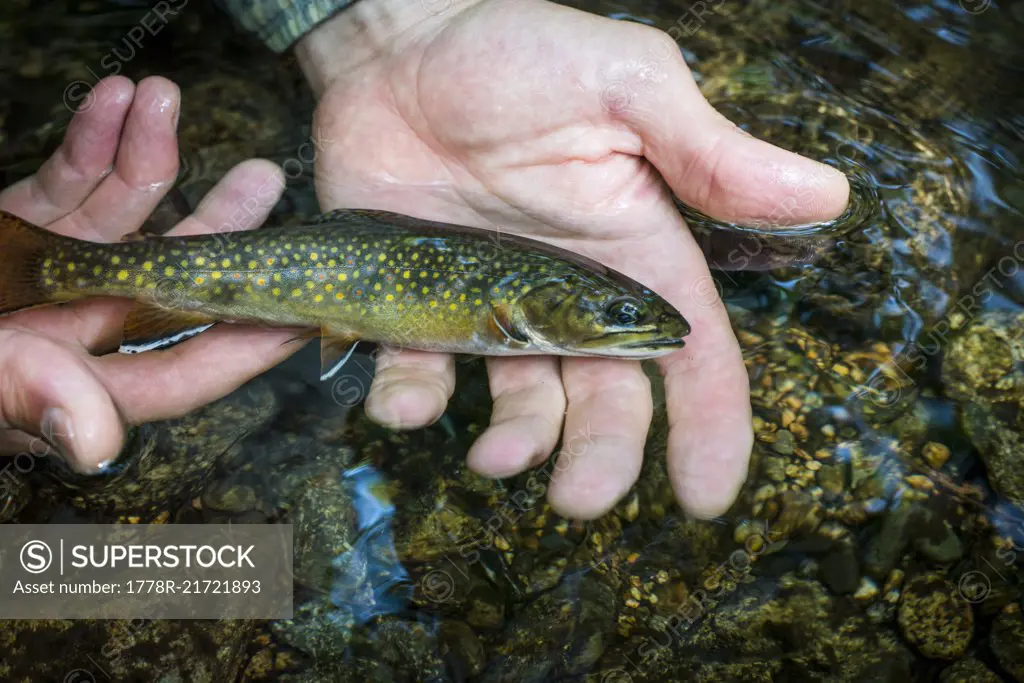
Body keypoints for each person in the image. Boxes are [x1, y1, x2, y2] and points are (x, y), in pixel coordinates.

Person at [0, 0, 849, 521]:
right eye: (620, 314)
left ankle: (54, 270)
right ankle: (47, 269)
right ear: (530, 306)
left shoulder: (522, 285)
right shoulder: (504, 302)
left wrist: (389, 25)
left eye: (622, 315)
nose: (635, 325)